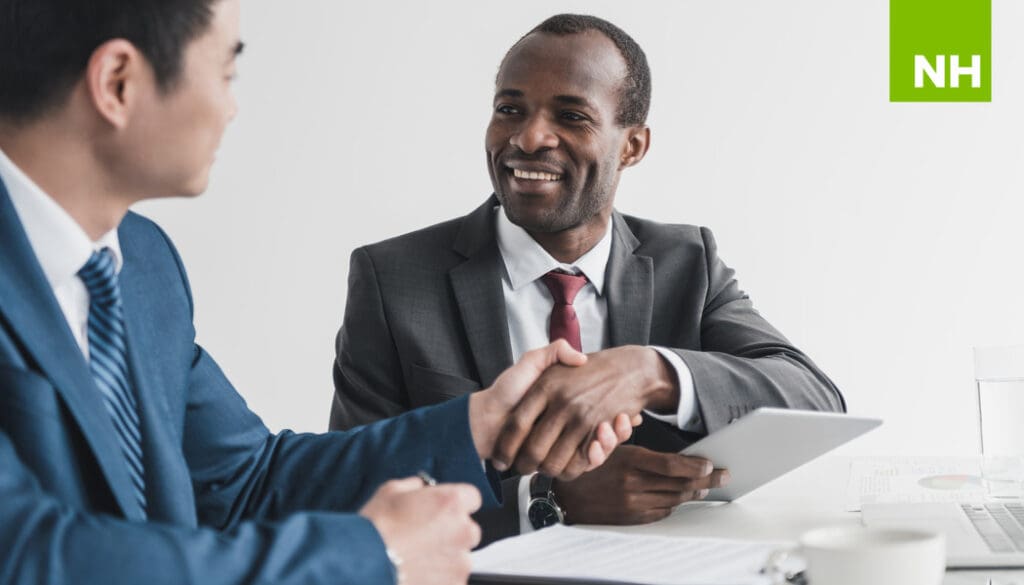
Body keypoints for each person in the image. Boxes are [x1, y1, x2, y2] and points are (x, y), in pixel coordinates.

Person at [0, 1, 637, 584]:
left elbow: (245, 483)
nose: (232, 108)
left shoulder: (143, 263)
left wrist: (484, 426)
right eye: (226, 72)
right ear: (118, 83)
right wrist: (371, 555)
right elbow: (26, 552)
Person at [330, 13, 846, 541]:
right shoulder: (392, 279)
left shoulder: (687, 261)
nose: (528, 138)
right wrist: (542, 500)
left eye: (571, 116)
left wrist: (649, 373)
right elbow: (351, 492)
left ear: (633, 147)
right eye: (510, 109)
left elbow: (814, 400)